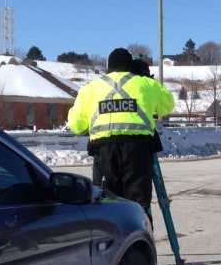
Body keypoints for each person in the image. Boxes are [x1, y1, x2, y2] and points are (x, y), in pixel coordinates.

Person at [68, 47, 175, 221]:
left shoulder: (89, 89)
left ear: (108, 66)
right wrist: (146, 79)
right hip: (137, 151)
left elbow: (76, 126)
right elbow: (168, 105)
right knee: (138, 205)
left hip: (104, 152)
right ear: (130, 65)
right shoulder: (144, 83)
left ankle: (110, 244)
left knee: (105, 204)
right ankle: (140, 242)